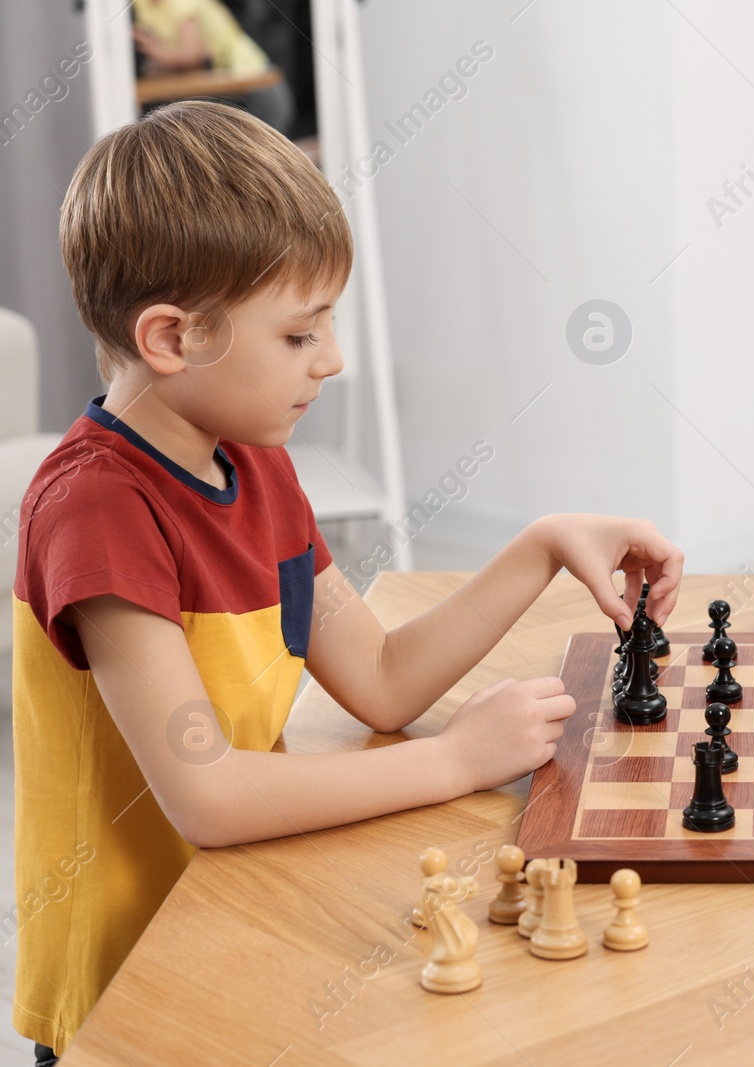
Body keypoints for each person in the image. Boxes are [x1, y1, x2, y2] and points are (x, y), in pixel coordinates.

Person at [11, 99, 684, 1061]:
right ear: (170, 338)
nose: (331, 360)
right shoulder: (98, 509)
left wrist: (540, 545)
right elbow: (208, 797)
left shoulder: (254, 464)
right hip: (131, 984)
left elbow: (380, 677)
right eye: (298, 334)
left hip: (238, 916)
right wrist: (455, 760)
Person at [132, 0, 295, 135]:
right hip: (227, 92)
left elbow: (192, 57)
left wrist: (155, 50)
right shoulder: (142, 5)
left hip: (256, 87)